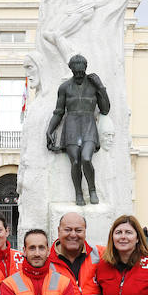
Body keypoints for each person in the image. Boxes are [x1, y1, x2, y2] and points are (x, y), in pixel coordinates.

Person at [46, 54, 110, 205]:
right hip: (72, 127)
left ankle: (92, 190)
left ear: (85, 69)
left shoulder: (94, 85)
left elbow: (105, 109)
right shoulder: (65, 87)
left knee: (86, 158)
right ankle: (78, 193)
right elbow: (59, 112)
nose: (79, 75)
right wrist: (50, 130)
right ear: (72, 70)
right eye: (76, 73)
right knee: (75, 161)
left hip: (88, 125)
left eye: (82, 72)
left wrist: (101, 87)